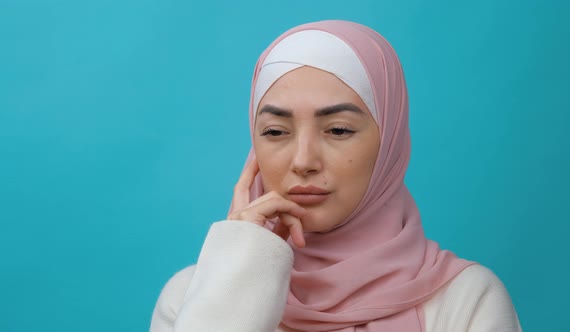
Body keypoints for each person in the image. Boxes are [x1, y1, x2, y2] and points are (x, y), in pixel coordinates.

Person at [149, 20, 522, 332]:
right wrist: (240, 272)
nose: (303, 161)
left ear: (389, 143)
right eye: (276, 131)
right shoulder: (191, 296)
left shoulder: (466, 300)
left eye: (339, 130)